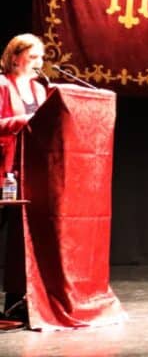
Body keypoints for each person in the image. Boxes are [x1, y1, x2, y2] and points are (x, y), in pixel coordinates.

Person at [0, 33, 47, 318]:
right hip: (4, 169)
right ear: (16, 57)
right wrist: (24, 121)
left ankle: (17, 304)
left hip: (32, 173)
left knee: (21, 239)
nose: (38, 63)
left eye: (41, 57)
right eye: (33, 57)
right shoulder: (2, 84)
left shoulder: (40, 89)